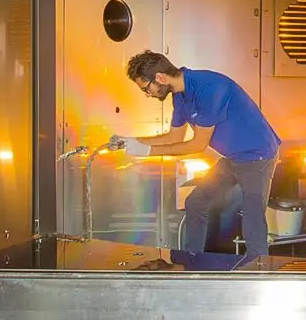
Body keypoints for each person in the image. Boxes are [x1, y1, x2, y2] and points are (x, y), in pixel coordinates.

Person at [116, 50, 281, 256]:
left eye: (146, 89)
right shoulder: (180, 96)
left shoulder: (210, 88)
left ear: (160, 77)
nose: (147, 95)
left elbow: (197, 145)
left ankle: (259, 275)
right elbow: (174, 137)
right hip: (233, 158)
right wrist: (134, 141)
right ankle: (193, 262)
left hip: (257, 156)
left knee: (252, 220)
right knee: (195, 202)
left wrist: (147, 150)